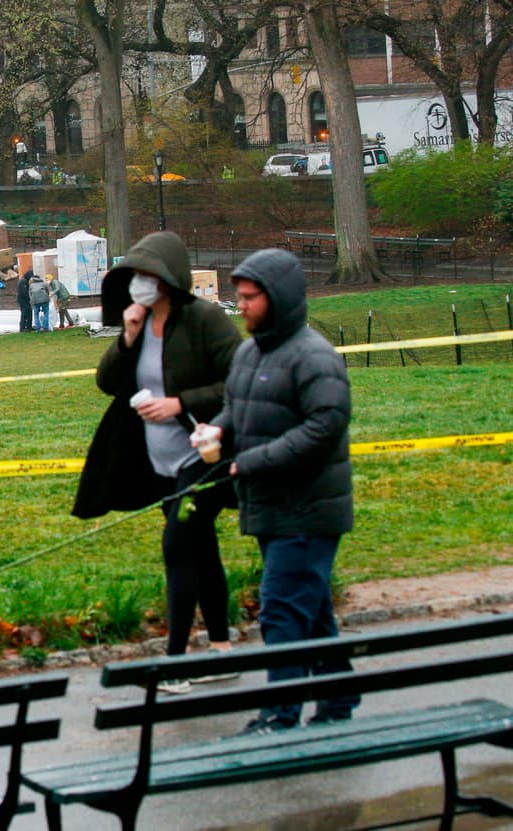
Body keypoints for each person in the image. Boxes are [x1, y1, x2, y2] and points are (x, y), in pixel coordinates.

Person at [73, 231, 242, 695]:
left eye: (148, 276)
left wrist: (178, 402)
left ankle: (175, 661)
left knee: (177, 547)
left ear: (169, 279)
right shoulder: (140, 323)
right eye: (135, 277)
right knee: (201, 549)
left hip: (203, 454)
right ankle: (223, 650)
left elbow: (241, 381)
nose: (140, 285)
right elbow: (107, 383)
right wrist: (127, 335)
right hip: (159, 461)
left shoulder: (204, 320)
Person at [199, 247, 358, 733]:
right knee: (308, 609)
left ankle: (279, 714)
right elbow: (237, 406)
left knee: (282, 607)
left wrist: (249, 462)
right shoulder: (250, 352)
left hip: (308, 509)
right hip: (270, 504)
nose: (240, 306)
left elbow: (323, 428)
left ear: (280, 298)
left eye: (250, 298)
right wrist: (218, 431)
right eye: (239, 297)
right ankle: (338, 696)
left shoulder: (315, 357)